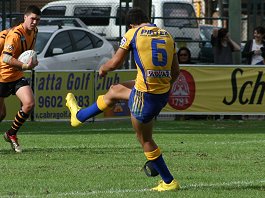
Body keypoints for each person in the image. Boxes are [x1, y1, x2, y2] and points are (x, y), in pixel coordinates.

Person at [65, 8, 180, 191]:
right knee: (114, 90)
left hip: (145, 97)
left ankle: (169, 181)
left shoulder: (133, 33)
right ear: (147, 19)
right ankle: (79, 116)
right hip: (161, 92)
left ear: (131, 24)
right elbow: (176, 72)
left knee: (145, 139)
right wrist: (160, 87)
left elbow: (115, 63)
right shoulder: (167, 35)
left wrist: (103, 68)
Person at [0, 5, 40, 152]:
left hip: (17, 76)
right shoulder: (14, 35)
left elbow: (29, 53)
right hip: (2, 77)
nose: (35, 22)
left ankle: (11, 134)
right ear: (25, 17)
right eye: (32, 19)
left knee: (29, 103)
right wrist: (24, 65)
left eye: (37, 19)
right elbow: (5, 57)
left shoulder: (34, 32)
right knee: (1, 114)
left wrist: (33, 60)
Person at [0, 17, 23, 122]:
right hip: (1, 77)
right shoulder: (3, 38)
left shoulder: (18, 38)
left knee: (2, 114)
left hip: (8, 76)